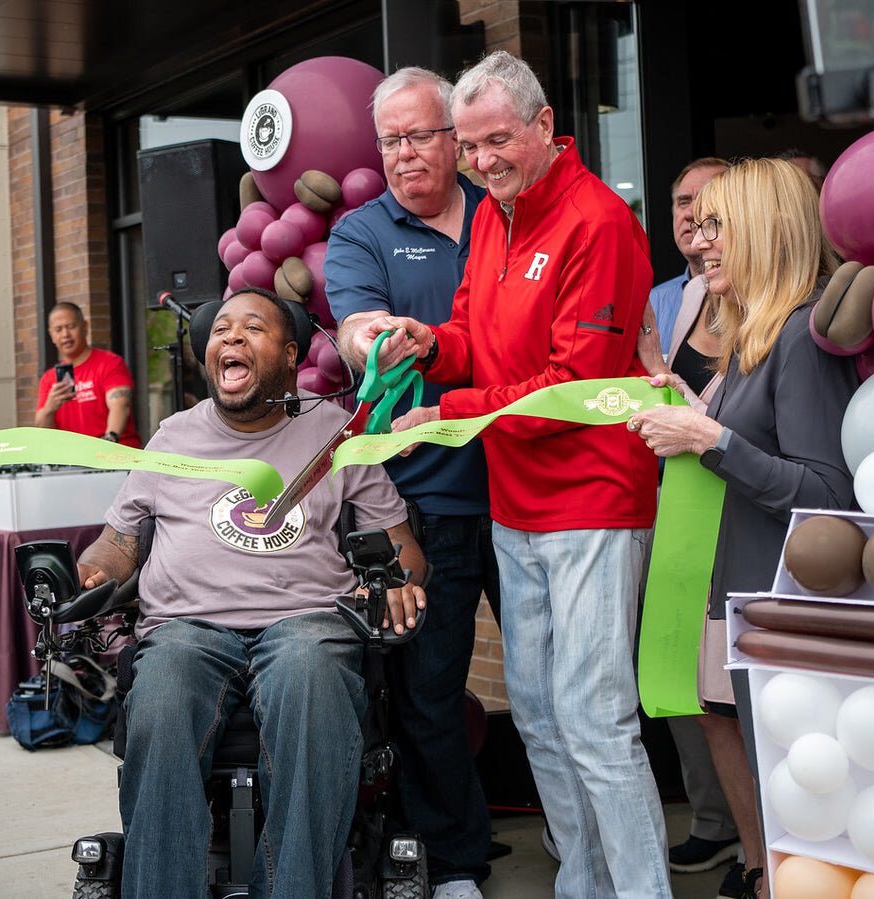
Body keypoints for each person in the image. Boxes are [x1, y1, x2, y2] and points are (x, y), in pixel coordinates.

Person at [352, 51, 671, 898]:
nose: (483, 160)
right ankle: (585, 884)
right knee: (534, 712)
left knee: (596, 721)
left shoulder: (598, 222)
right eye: (471, 147)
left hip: (595, 500)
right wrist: (431, 345)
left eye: (499, 141)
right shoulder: (494, 213)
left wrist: (451, 411)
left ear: (543, 127)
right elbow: (469, 335)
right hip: (513, 499)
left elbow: (576, 383)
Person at [76, 288, 427, 897]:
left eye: (252, 328)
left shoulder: (337, 434)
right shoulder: (172, 437)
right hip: (184, 628)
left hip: (306, 621)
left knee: (309, 677)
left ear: (290, 356)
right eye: (220, 330)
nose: (230, 337)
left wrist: (398, 582)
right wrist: (91, 573)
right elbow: (117, 544)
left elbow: (404, 551)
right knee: (159, 703)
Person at [630, 158, 857, 899]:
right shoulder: (759, 333)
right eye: (698, 224)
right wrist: (692, 406)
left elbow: (827, 493)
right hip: (753, 616)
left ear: (766, 230)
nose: (699, 241)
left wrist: (708, 439)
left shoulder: (799, 334)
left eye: (718, 224)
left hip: (787, 620)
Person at [324, 66, 502, 898]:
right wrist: (374, 339)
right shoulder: (364, 230)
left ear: (454, 139)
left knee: (551, 696)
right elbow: (353, 322)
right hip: (429, 500)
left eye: (419, 135)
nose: (403, 154)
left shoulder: (504, 213)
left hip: (539, 493)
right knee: (429, 689)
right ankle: (456, 861)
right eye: (389, 140)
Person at [644, 158, 743, 884]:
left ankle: (769, 842)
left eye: (710, 209)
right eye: (682, 205)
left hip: (746, 511)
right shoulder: (660, 299)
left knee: (740, 687)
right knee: (687, 682)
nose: (692, 220)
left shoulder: (776, 302)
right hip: (676, 506)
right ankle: (715, 822)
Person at [650, 158, 729, 354]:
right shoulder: (653, 302)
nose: (690, 213)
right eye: (683, 201)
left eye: (706, 200)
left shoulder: (763, 302)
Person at [35, 302, 140, 446]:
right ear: (51, 335)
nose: (65, 334)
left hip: (115, 455)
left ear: (85, 327)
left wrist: (109, 440)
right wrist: (49, 408)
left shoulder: (110, 363)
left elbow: (120, 405)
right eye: (58, 329)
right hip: (73, 461)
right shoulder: (48, 379)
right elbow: (43, 433)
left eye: (71, 326)